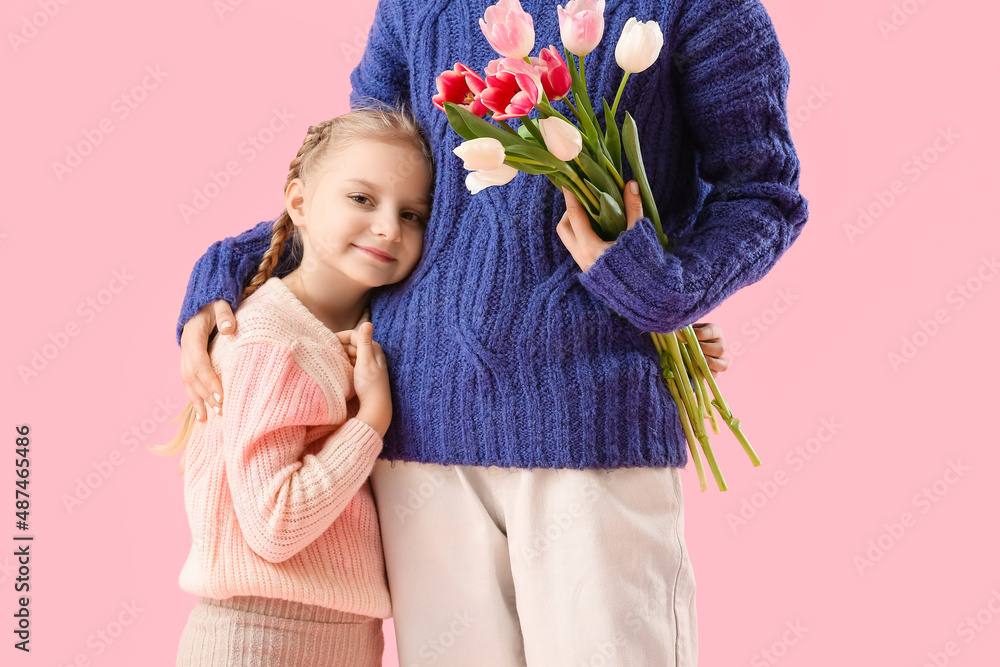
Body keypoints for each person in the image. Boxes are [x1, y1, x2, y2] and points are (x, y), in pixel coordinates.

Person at [175, 0, 808, 664]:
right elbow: (362, 162)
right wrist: (228, 269)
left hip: (592, 421)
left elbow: (763, 190)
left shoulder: (699, 8)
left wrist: (664, 288)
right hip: (420, 426)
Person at [152, 104, 435, 667]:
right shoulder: (272, 342)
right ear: (299, 202)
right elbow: (276, 524)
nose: (387, 227)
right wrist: (370, 421)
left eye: (413, 215)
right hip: (259, 644)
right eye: (361, 198)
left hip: (338, 640)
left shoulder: (344, 333)